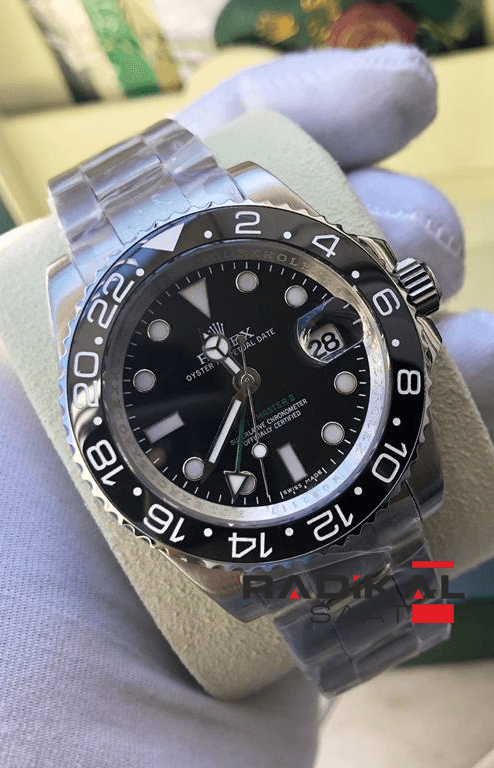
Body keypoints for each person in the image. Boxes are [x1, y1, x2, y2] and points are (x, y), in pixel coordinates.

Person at [1, 43, 493, 767]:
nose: (244, 380)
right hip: (261, 529)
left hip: (343, 475)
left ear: (402, 291)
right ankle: (417, 619)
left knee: (428, 564)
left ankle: (421, 616)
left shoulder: (266, 205)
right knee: (422, 586)